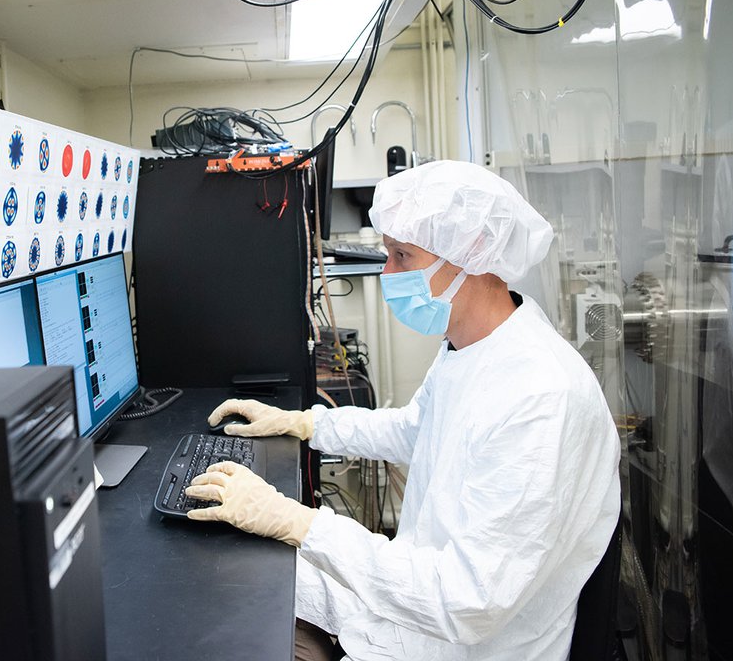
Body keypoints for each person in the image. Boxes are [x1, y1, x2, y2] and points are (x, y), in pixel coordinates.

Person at [185, 160, 621, 661]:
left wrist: (300, 522)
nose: (385, 273)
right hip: (424, 596)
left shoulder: (539, 398)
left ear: (471, 255)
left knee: (240, 614)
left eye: (401, 256)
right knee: (246, 573)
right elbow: (418, 429)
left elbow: (467, 603)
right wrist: (306, 423)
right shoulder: (474, 344)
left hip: (467, 639)